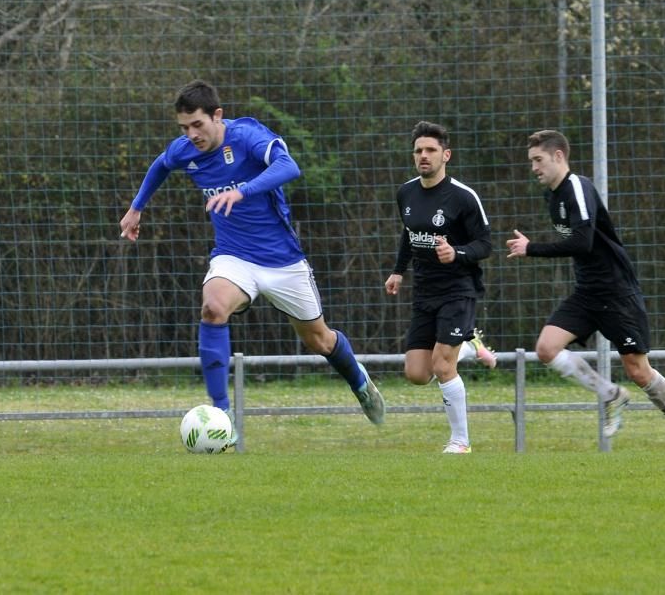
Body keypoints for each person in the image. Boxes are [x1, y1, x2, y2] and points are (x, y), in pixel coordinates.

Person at [120, 80, 385, 442]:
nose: (191, 134)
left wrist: (242, 190)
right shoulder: (186, 150)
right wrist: (137, 208)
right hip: (233, 257)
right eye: (184, 128)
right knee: (213, 307)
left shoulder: (246, 136)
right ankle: (221, 417)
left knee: (320, 341)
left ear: (217, 115)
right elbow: (162, 164)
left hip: (283, 261)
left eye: (197, 125)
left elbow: (288, 166)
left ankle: (359, 381)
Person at [506, 129, 665, 452]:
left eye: (538, 160)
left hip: (617, 292)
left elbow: (582, 242)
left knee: (638, 370)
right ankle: (613, 395)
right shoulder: (552, 197)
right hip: (587, 293)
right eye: (531, 161)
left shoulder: (577, 188)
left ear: (558, 156)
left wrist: (532, 248)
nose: (534, 167)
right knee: (546, 348)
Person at [385, 121, 494, 454]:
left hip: (458, 289)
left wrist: (456, 253)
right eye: (418, 150)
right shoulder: (406, 192)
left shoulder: (463, 197)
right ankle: (469, 347)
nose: (424, 156)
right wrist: (398, 271)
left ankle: (460, 442)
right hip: (424, 292)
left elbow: (485, 244)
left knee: (443, 366)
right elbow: (409, 233)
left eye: (431, 150)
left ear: (446, 155)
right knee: (417, 373)